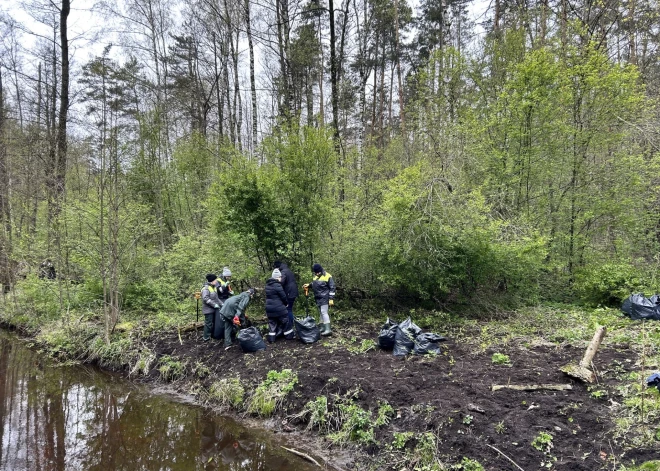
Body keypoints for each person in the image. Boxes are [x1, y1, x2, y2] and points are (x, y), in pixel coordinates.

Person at [303, 263, 335, 336]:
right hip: (318, 297)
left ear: (321, 270)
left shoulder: (328, 276)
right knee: (321, 312)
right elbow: (315, 283)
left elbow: (332, 288)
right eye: (316, 273)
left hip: (325, 297)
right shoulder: (316, 276)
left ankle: (328, 329)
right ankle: (322, 327)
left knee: (324, 312)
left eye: (318, 272)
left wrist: (331, 299)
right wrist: (309, 285)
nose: (317, 274)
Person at [265, 268, 294, 343]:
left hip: (269, 308)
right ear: (277, 277)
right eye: (280, 277)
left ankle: (271, 339)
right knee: (285, 320)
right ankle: (289, 336)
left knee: (272, 323)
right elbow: (283, 296)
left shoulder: (267, 285)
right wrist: (286, 303)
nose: (281, 278)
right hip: (279, 308)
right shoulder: (278, 285)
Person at [273, 260, 298, 326]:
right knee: (289, 309)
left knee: (288, 309)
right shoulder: (287, 270)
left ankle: (290, 325)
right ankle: (290, 324)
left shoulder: (283, 272)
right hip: (293, 291)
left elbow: (281, 282)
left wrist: (275, 283)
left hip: (289, 292)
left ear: (277, 267)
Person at [201, 274, 222, 342]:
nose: (216, 281)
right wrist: (214, 305)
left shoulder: (214, 287)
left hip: (214, 309)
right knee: (208, 324)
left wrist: (222, 304)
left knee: (213, 323)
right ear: (211, 281)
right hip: (208, 310)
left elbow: (216, 298)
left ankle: (212, 335)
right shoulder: (206, 288)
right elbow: (205, 299)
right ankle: (206, 338)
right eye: (215, 280)